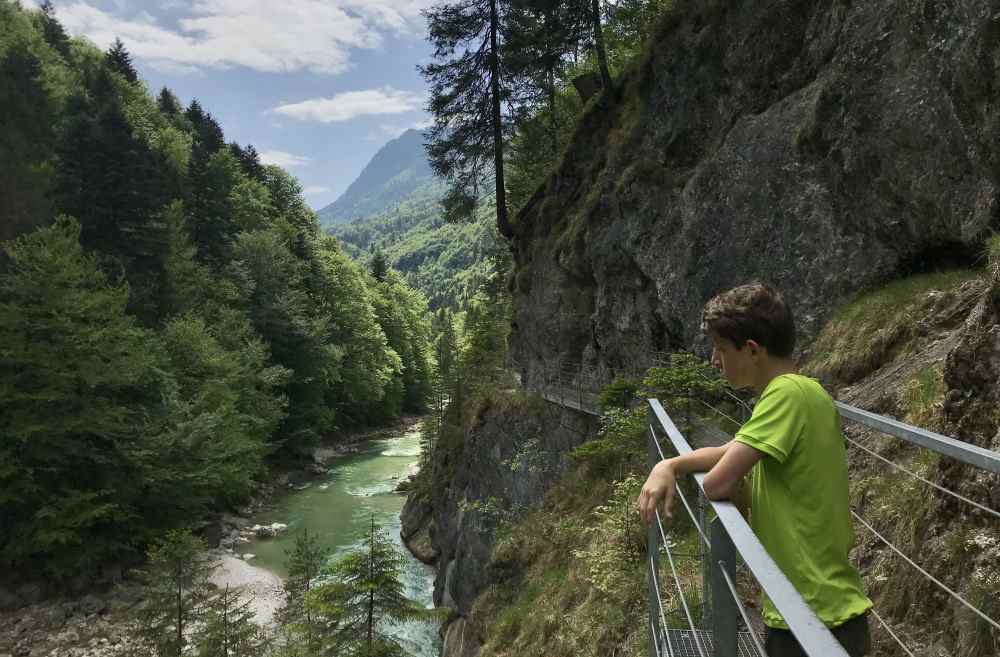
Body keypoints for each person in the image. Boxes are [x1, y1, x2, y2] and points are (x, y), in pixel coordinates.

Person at [636, 282, 872, 657]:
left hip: (813, 614)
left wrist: (728, 482)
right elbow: (728, 450)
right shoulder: (796, 393)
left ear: (751, 350)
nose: (714, 361)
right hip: (816, 608)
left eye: (720, 349)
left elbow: (716, 482)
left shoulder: (786, 394)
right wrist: (671, 464)